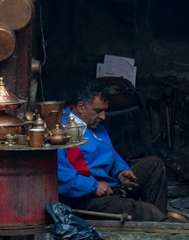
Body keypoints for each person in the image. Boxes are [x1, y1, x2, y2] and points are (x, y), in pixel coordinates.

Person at [56, 79, 173, 222]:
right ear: (81, 107)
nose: (103, 117)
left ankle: (156, 225)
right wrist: (93, 186)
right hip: (85, 197)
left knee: (154, 165)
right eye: (98, 111)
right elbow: (58, 172)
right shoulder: (61, 130)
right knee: (142, 210)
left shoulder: (96, 127)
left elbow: (111, 153)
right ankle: (159, 223)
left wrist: (120, 169)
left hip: (111, 186)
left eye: (105, 111)